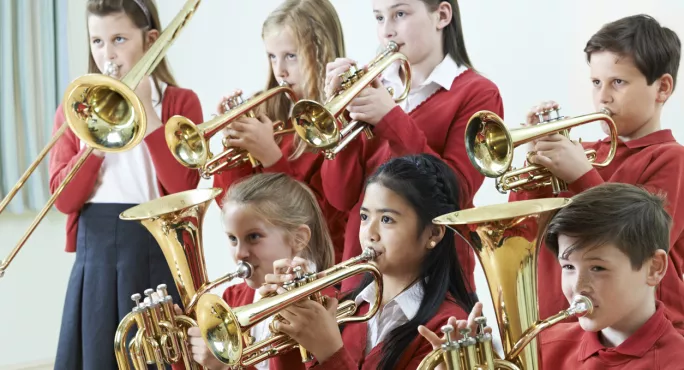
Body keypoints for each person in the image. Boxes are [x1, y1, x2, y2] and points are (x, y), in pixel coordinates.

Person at [48, 1, 204, 368]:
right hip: (96, 251)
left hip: (155, 247)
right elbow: (64, 200)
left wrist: (148, 112)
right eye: (97, 41)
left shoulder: (180, 102)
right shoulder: (77, 110)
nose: (107, 54)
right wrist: (97, 138)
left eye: (119, 39)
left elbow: (183, 185)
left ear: (150, 41)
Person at [511, 14, 684, 333]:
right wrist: (534, 159)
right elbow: (521, 229)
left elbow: (640, 241)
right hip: (563, 327)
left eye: (618, 82)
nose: (602, 96)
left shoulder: (672, 159)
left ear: (662, 88)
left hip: (645, 335)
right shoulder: (584, 151)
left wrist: (581, 176)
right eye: (596, 82)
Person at [321, 0, 504, 292]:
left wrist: (391, 119)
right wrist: (340, 119)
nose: (387, 31)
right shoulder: (376, 86)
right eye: (379, 18)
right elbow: (339, 196)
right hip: (363, 272)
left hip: (435, 278)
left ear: (442, 15)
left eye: (400, 14)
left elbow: (456, 192)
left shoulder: (478, 93)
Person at [425, 184, 684, 369]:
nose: (578, 287)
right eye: (568, 267)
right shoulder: (543, 345)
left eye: (598, 268)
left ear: (654, 268)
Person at [267, 154, 477, 370]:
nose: (370, 233)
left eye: (387, 220)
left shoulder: (448, 326)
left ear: (433, 233)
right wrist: (287, 324)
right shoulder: (346, 307)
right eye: (365, 217)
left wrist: (330, 352)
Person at [211, 0, 348, 262]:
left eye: (291, 56)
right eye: (272, 56)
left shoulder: (339, 122)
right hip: (263, 265)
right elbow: (230, 205)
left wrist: (272, 158)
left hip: (318, 269)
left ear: (324, 54)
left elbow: (319, 222)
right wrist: (233, 144)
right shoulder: (269, 113)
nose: (280, 70)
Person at [172, 173, 336, 370]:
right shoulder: (231, 298)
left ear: (298, 238)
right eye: (233, 239)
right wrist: (182, 353)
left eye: (254, 236)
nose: (240, 253)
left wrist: (228, 366)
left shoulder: (322, 306)